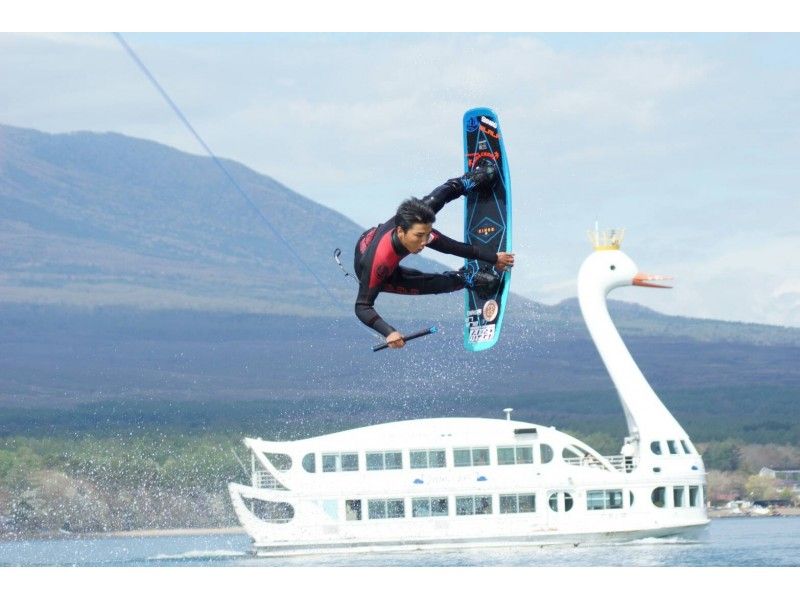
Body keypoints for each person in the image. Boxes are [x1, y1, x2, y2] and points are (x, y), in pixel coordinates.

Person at [353, 160, 515, 349]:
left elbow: (452, 247)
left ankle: (467, 181)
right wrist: (389, 332)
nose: (424, 242)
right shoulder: (379, 265)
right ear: (401, 232)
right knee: (433, 283)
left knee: (433, 200)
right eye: (419, 236)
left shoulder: (419, 229)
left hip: (384, 236)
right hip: (373, 264)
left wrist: (494, 258)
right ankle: (466, 278)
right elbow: (362, 306)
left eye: (428, 234)